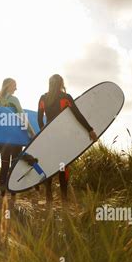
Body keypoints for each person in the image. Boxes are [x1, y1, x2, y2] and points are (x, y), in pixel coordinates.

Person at [38, 74, 98, 203]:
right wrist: (90, 129)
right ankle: (64, 199)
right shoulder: (66, 97)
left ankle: (49, 197)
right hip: (63, 137)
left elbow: (39, 119)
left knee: (49, 164)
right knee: (62, 166)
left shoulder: (43, 98)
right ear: (61, 84)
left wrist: (44, 134)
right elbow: (77, 115)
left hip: (49, 137)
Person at [0, 78, 34, 198]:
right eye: (14, 86)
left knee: (4, 165)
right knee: (14, 165)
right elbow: (22, 117)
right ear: (8, 86)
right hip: (16, 138)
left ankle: (2, 193)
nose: (16, 88)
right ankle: (13, 194)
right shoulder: (13, 100)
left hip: (3, 138)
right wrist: (32, 133)